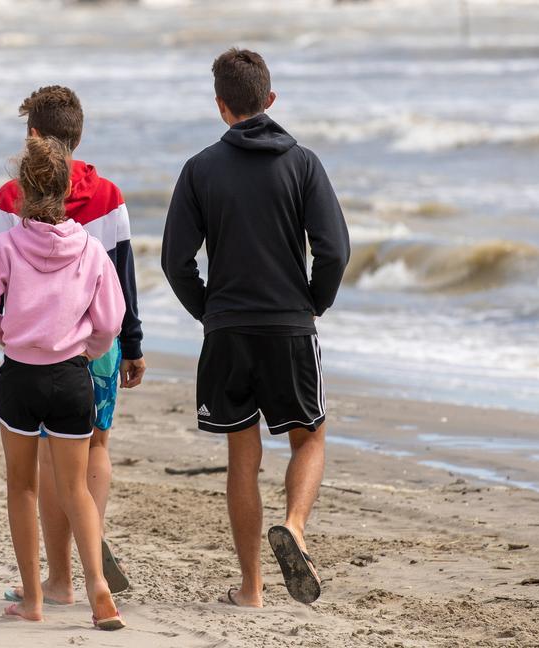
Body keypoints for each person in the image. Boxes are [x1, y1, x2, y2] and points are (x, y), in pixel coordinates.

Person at [161, 48, 350, 607]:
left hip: (227, 331)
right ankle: (294, 525)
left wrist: (208, 311)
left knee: (242, 459)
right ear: (270, 99)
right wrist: (314, 303)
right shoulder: (303, 164)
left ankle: (251, 589)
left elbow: (175, 261)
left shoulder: (199, 169)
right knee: (308, 437)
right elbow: (334, 250)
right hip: (289, 327)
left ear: (221, 106)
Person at [0, 85, 144, 601]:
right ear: (77, 136)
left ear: (34, 136)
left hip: (34, 343)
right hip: (96, 342)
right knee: (95, 446)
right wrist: (131, 345)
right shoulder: (109, 195)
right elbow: (123, 278)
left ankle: (59, 579)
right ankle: (91, 537)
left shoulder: (10, 197)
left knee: (42, 455)